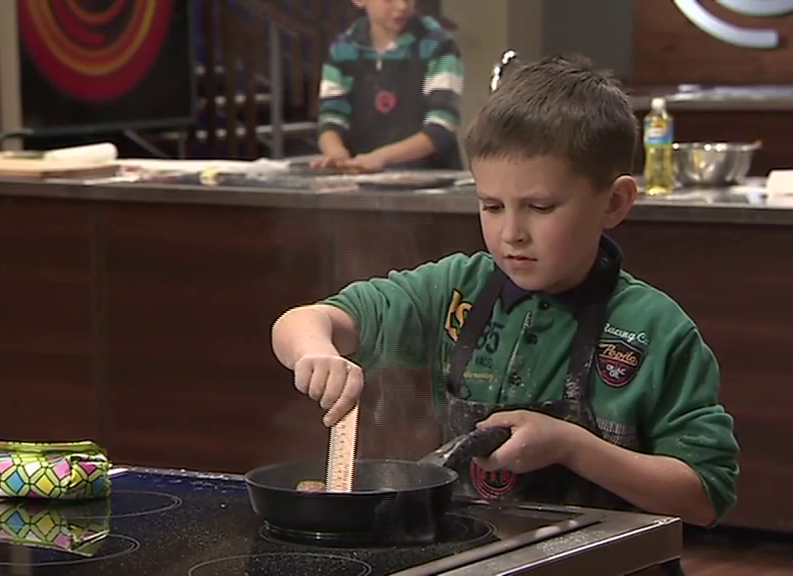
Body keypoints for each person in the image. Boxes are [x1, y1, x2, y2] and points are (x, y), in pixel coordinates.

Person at [272, 54, 739, 570]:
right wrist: (316, 352)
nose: (511, 233)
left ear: (614, 202)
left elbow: (704, 496)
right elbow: (305, 321)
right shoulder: (455, 291)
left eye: (540, 208)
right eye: (491, 206)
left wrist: (572, 447)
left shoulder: (655, 329)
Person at [311, 0, 464, 172]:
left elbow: (442, 126)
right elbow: (331, 117)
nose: (401, 6)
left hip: (431, 175)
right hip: (360, 174)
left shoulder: (438, 44)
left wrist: (380, 158)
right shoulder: (343, 49)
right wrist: (335, 152)